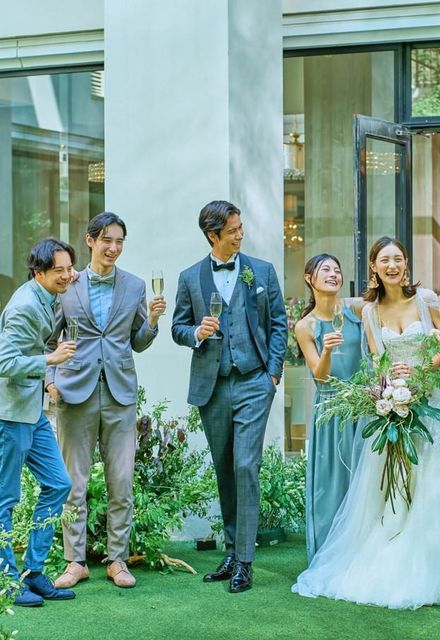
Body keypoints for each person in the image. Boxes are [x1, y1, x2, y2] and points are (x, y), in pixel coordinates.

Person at [293, 237, 440, 609]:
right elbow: (377, 360)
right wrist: (390, 387)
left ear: (406, 264)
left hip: (430, 398)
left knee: (433, 480)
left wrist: (422, 370)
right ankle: (395, 555)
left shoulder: (427, 300)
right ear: (373, 267)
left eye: (398, 259)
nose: (392, 266)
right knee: (396, 483)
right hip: (395, 401)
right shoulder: (369, 311)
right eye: (384, 260)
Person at [172, 200, 287, 594]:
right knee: (224, 468)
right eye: (233, 230)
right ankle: (232, 550)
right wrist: (196, 332)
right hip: (214, 385)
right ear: (213, 235)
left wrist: (273, 373)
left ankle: (245, 561)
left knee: (245, 466)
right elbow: (178, 327)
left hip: (254, 381)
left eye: (241, 228)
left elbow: (279, 323)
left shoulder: (262, 271)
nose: (241, 235)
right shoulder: (190, 277)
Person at [47, 212, 166, 590]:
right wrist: (50, 381)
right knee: (73, 484)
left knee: (122, 482)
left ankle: (117, 560)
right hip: (74, 394)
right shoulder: (68, 284)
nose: (113, 248)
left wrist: (153, 321)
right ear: (90, 241)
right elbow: (49, 340)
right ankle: (75, 561)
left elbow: (138, 342)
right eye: (107, 240)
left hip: (119, 395)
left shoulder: (134, 286)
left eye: (119, 242)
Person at [0, 238, 77, 607]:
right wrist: (50, 360)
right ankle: (6, 581)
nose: (67, 275)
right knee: (5, 500)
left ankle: (33, 571)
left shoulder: (49, 296)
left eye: (69, 268)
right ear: (38, 273)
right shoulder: (24, 307)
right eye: (58, 270)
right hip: (10, 414)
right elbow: (5, 362)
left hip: (32, 412)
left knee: (59, 484)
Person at [294, 254, 364, 561]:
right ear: (309, 278)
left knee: (362, 481)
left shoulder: (356, 309)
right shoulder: (305, 326)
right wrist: (327, 351)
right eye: (326, 269)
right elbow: (320, 377)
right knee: (332, 483)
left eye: (337, 269)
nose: (333, 274)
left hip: (363, 406)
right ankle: (331, 555)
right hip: (331, 408)